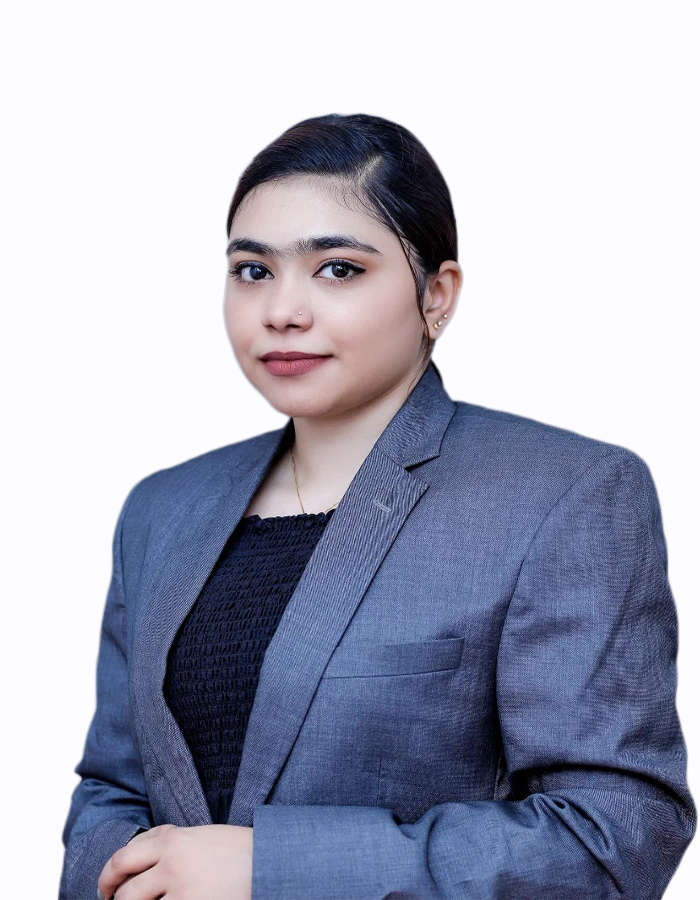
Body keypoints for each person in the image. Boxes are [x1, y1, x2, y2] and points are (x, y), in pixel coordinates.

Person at [59, 113, 695, 900]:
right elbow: (111, 791)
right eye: (252, 270)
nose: (282, 310)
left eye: (338, 269)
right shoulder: (163, 509)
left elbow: (615, 836)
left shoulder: (565, 494)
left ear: (437, 294)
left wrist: (272, 871)